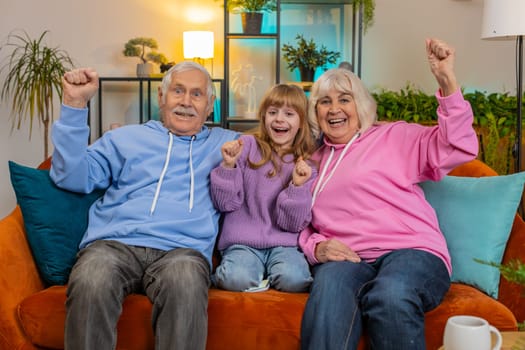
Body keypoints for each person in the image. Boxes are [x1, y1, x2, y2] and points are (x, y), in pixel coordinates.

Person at [298, 38, 479, 349]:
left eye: (344, 99)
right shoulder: (310, 161)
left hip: (411, 251)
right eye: (324, 101)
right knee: (328, 290)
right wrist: (317, 247)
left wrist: (446, 80)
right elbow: (298, 222)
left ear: (361, 105)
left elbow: (457, 147)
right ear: (315, 111)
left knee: (390, 294)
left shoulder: (394, 137)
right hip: (348, 259)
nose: (334, 109)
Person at [50, 61, 238, 350]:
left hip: (182, 252)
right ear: (161, 98)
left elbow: (282, 149)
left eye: (197, 94)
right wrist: (75, 104)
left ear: (210, 105)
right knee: (92, 276)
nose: (186, 102)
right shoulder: (124, 138)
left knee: (186, 281)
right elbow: (71, 176)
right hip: (114, 245)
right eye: (178, 91)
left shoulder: (227, 145)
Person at [210, 84, 317, 293]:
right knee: (236, 279)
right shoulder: (247, 146)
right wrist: (228, 166)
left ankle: (262, 279)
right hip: (242, 243)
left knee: (295, 279)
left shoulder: (307, 167)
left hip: (285, 245)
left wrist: (297, 186)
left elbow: (292, 224)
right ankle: (251, 276)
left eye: (289, 114)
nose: (279, 119)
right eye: (273, 112)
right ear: (263, 116)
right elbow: (225, 203)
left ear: (301, 123)